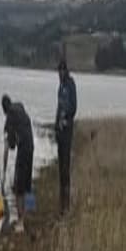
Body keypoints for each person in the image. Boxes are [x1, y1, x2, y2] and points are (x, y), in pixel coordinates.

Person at [1, 94, 34, 232]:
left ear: (4, 109)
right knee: (27, 183)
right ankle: (30, 213)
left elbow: (10, 147)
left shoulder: (10, 117)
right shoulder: (20, 106)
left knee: (18, 188)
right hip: (31, 146)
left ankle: (21, 222)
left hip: (23, 150)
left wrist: (3, 171)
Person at [55, 54, 78, 214]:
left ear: (65, 70)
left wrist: (65, 118)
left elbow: (73, 107)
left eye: (62, 71)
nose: (60, 74)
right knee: (60, 165)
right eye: (58, 72)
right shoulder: (60, 86)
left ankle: (67, 203)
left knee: (66, 165)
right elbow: (59, 106)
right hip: (60, 129)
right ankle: (61, 200)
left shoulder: (70, 84)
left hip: (68, 128)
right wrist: (56, 124)